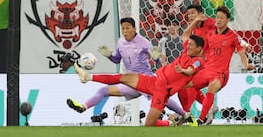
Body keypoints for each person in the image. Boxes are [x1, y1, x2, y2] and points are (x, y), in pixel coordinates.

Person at [70, 19, 204, 127]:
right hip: (132, 81)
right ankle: (83, 105)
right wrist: (109, 56)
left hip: (147, 77)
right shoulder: (120, 42)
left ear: (134, 28)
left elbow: (157, 58)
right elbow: (117, 60)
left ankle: (185, 116)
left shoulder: (144, 42)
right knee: (104, 90)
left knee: (163, 101)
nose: (125, 31)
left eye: (128, 28)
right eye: (123, 28)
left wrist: (159, 59)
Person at [183, 6, 255, 125]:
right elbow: (189, 39)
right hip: (205, 64)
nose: (190, 16)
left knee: (210, 87)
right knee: (184, 85)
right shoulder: (201, 31)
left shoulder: (213, 24)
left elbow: (236, 39)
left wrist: (245, 45)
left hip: (218, 70)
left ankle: (199, 118)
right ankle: (186, 112)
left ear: (201, 14)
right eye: (188, 14)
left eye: (193, 13)